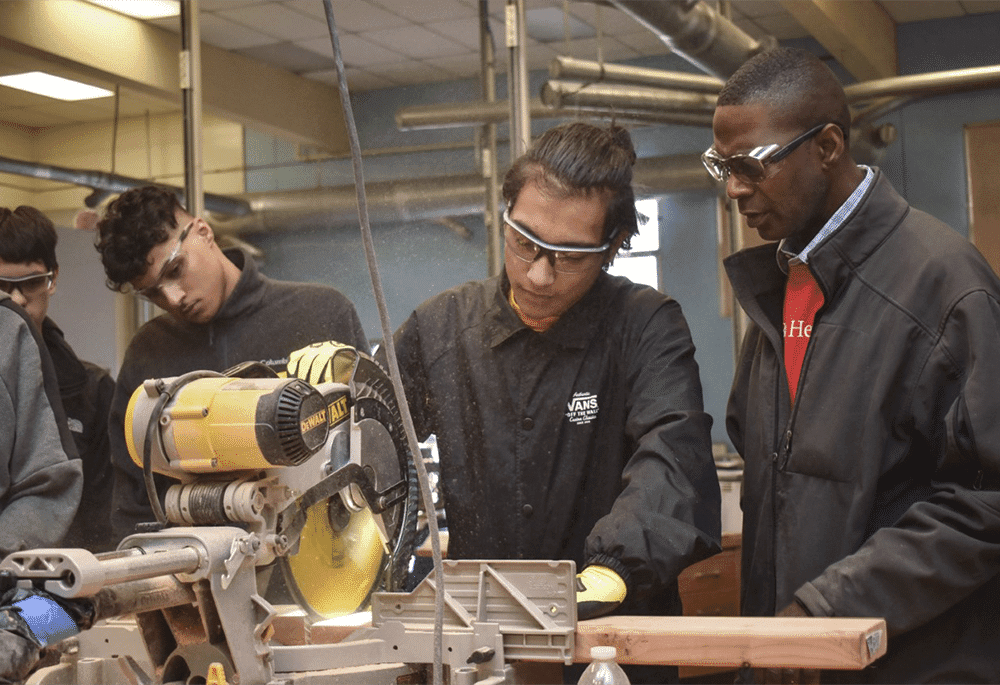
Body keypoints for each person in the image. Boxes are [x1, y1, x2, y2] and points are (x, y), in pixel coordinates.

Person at [380, 121, 722, 680]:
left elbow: (674, 454)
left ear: (612, 247)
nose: (539, 274)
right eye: (525, 243)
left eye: (568, 256)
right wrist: (342, 394)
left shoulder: (644, 327)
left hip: (610, 637)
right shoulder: (442, 328)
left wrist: (615, 566)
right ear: (506, 212)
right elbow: (373, 443)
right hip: (483, 643)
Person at [710, 47, 1000, 683]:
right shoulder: (785, 286)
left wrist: (828, 609)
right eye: (721, 166)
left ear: (828, 147)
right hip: (799, 659)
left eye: (750, 164)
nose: (733, 187)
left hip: (911, 663)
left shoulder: (943, 287)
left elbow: (986, 501)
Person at [95, 185, 369, 542]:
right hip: (193, 576)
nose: (173, 298)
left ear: (203, 232)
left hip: (322, 570)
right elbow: (133, 498)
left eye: (176, 269)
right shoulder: (149, 353)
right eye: (153, 293)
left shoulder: (320, 314)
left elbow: (372, 447)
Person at [0, 206, 116, 553]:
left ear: (54, 278)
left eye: (31, 283)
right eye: (3, 287)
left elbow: (102, 521)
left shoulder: (93, 391)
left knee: (41, 611)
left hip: (59, 587)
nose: (18, 301)